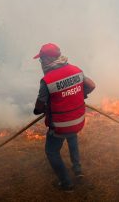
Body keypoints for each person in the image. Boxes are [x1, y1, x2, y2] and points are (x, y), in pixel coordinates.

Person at [33, 43, 95, 192]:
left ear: (48, 59)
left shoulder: (47, 81)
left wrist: (40, 109)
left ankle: (66, 183)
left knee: (51, 152)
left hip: (61, 125)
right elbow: (91, 85)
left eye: (41, 60)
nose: (41, 63)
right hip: (78, 120)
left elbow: (39, 108)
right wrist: (81, 94)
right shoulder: (76, 70)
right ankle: (78, 170)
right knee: (72, 135)